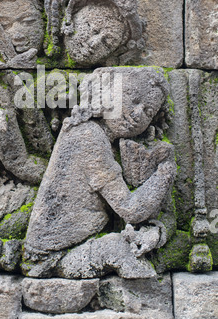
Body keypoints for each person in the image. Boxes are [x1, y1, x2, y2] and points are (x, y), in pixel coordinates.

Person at [22, 67, 176, 278]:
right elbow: (130, 209)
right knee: (121, 253)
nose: (137, 114)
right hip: (52, 257)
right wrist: (164, 174)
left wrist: (154, 233)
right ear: (107, 92)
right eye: (132, 98)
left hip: (71, 249)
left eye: (149, 112)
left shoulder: (109, 141)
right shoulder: (88, 136)